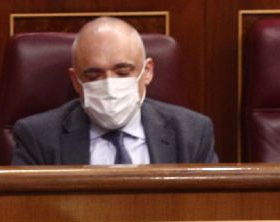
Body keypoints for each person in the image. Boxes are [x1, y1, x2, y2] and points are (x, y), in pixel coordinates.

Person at [11, 16, 217, 165]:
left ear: (147, 71)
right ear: (76, 81)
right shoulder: (38, 138)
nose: (109, 85)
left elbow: (208, 213)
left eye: (123, 72)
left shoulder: (192, 133)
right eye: (94, 76)